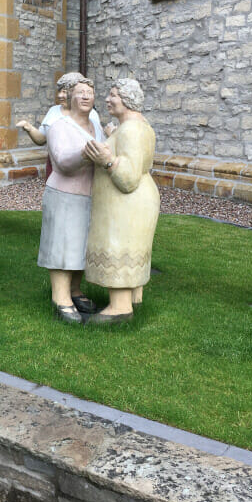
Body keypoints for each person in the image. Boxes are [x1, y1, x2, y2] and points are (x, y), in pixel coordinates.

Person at [83, 79, 159, 324]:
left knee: (119, 245)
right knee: (130, 247)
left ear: (127, 100)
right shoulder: (135, 126)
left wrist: (106, 159)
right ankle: (134, 295)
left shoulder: (131, 129)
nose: (108, 99)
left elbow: (127, 179)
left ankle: (120, 307)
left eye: (113, 95)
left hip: (127, 202)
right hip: (134, 202)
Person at [37, 76, 104, 323]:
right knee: (62, 246)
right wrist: (87, 153)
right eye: (80, 92)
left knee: (80, 247)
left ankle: (75, 290)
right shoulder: (59, 126)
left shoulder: (96, 127)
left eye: (89, 92)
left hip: (88, 194)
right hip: (64, 194)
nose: (86, 96)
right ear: (69, 97)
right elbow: (63, 162)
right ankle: (60, 297)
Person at [16, 72, 102, 180]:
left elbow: (97, 143)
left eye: (65, 92)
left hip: (82, 169)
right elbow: (42, 139)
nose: (60, 95)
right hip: (55, 166)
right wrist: (28, 128)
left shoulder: (91, 114)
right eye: (59, 91)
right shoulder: (54, 111)